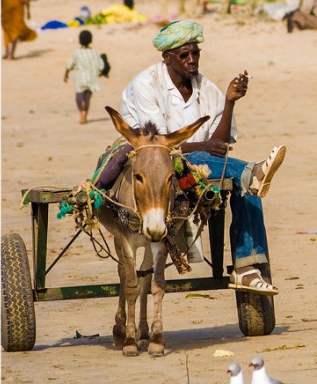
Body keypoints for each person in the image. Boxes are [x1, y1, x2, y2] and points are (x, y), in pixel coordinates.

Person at [100, 20, 286, 296]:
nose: (192, 60)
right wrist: (205, 145)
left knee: (246, 187)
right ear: (167, 58)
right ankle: (249, 172)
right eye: (184, 55)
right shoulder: (146, 84)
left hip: (193, 166)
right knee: (231, 170)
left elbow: (219, 144)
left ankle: (247, 267)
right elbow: (158, 147)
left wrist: (230, 101)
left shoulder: (206, 87)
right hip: (151, 167)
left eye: (195, 53)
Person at [64, 30, 104, 125]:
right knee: (87, 97)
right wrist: (100, 73)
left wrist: (66, 74)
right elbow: (101, 65)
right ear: (91, 40)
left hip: (81, 78)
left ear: (79, 40)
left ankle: (81, 111)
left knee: (79, 97)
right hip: (92, 78)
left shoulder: (77, 53)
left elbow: (69, 65)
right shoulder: (94, 52)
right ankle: (85, 112)